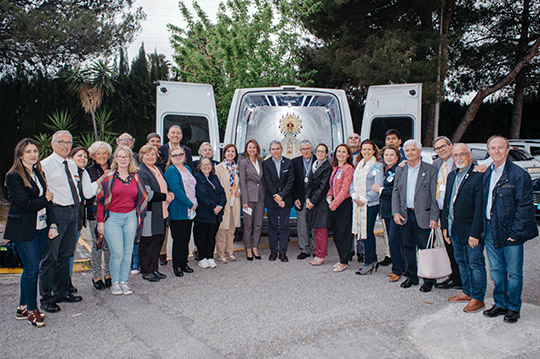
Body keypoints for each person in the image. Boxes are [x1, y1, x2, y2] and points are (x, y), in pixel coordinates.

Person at [481, 136, 538, 323]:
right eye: (493, 148)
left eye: (501, 147)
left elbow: (525, 207)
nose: (496, 151)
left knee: (513, 272)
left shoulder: (518, 175)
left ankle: (513, 307)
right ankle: (500, 303)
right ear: (488, 150)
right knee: (496, 270)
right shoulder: (487, 173)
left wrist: (516, 233)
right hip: (490, 228)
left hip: (511, 231)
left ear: (507, 150)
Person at [40, 130, 97, 313]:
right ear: (53, 143)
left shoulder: (72, 166)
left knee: (66, 255)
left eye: (68, 142)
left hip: (73, 211)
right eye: (61, 142)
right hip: (56, 212)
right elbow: (44, 194)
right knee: (50, 257)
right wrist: (50, 221)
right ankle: (46, 297)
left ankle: (62, 291)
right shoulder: (45, 165)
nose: (65, 145)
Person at [4, 138, 55, 327]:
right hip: (23, 230)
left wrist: (53, 224)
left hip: (41, 228)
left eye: (35, 151)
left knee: (30, 268)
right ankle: (33, 311)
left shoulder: (37, 173)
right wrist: (46, 199)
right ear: (20, 154)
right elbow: (25, 204)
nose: (33, 154)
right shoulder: (13, 176)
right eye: (28, 151)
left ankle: (22, 306)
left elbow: (46, 201)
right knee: (33, 269)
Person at [96, 146, 148, 295]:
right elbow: (100, 200)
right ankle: (115, 282)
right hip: (112, 218)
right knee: (117, 252)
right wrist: (100, 222)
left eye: (126, 157)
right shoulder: (109, 177)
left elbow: (142, 198)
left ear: (130, 159)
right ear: (115, 159)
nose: (123, 159)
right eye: (120, 156)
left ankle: (124, 281)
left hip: (130, 217)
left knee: (127, 252)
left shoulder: (136, 177)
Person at [441, 144, 486, 313]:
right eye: (455, 155)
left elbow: (479, 207)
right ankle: (467, 292)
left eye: (462, 154)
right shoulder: (452, 175)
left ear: (470, 154)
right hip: (454, 229)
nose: (459, 158)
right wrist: (445, 226)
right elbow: (447, 202)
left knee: (475, 263)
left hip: (471, 231)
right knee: (461, 261)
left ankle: (478, 298)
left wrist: (475, 233)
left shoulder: (477, 174)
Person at [391, 139, 439, 292]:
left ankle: (429, 279)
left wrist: (434, 217)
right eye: (407, 150)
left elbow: (434, 195)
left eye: (413, 150)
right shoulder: (401, 170)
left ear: (419, 152)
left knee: (425, 248)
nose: (410, 153)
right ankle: (412, 276)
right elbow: (396, 192)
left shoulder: (430, 170)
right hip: (405, 214)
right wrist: (396, 212)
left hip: (423, 216)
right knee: (407, 246)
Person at [138, 144, 174, 282]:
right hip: (149, 213)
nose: (150, 157)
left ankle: (154, 268)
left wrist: (169, 193)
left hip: (161, 212)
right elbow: (147, 194)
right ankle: (146, 271)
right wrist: (166, 197)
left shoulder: (157, 169)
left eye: (153, 154)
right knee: (147, 242)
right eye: (147, 154)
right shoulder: (142, 171)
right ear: (142, 156)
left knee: (158, 241)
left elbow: (164, 187)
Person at [371, 146, 405, 282]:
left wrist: (380, 189)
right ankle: (400, 267)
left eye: (392, 155)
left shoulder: (398, 170)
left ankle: (398, 269)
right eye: (386, 155)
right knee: (394, 241)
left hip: (395, 211)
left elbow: (396, 192)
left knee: (394, 240)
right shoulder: (386, 170)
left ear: (397, 157)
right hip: (386, 211)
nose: (389, 157)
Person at [432, 136, 462, 290]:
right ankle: (455, 277)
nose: (441, 150)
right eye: (438, 148)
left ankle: (464, 280)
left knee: (460, 246)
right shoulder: (436, 164)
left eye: (443, 146)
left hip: (457, 212)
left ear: (451, 145)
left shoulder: (461, 161)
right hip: (442, 210)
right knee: (448, 244)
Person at [351, 140, 383, 275]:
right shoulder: (359, 165)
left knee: (368, 233)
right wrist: (354, 196)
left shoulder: (377, 166)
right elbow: (353, 183)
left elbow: (377, 186)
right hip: (358, 203)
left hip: (370, 204)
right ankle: (373, 260)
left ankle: (369, 261)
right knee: (363, 233)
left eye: (369, 149)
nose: (366, 152)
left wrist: (364, 199)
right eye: (364, 149)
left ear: (374, 150)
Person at [165, 146, 197, 277]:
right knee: (178, 239)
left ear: (184, 155)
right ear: (170, 157)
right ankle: (177, 265)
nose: (178, 157)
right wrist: (190, 204)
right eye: (175, 155)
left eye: (180, 155)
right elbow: (177, 190)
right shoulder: (171, 171)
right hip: (179, 209)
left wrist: (193, 203)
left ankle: (184, 262)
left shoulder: (188, 168)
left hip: (190, 209)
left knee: (186, 238)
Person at [86, 141, 113, 290]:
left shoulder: (113, 168)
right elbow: (89, 192)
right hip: (95, 212)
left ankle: (108, 274)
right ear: (93, 155)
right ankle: (96, 275)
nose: (102, 156)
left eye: (104, 153)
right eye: (98, 153)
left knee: (109, 244)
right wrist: (103, 178)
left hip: (113, 212)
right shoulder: (88, 171)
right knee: (97, 244)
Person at [262, 140, 295, 262]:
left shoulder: (289, 163)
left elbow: (291, 181)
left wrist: (281, 196)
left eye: (277, 148)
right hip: (271, 199)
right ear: (270, 151)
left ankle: (283, 252)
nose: (275, 151)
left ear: (282, 149)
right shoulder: (266, 164)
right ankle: (273, 251)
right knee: (272, 226)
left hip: (285, 199)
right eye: (273, 149)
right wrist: (276, 196)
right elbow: (267, 181)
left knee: (285, 226)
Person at [194, 157, 227, 268]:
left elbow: (222, 192)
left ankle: (210, 257)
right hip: (204, 212)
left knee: (211, 236)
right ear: (199, 166)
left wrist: (221, 205)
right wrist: (214, 206)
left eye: (208, 164)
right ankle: (202, 258)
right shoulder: (197, 178)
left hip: (216, 213)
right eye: (204, 164)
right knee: (202, 236)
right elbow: (202, 195)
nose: (206, 166)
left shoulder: (214, 177)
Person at [326, 144, 354, 272]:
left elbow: (345, 189)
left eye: (344, 152)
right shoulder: (336, 168)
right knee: (337, 233)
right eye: (339, 152)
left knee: (344, 233)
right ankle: (342, 258)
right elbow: (332, 186)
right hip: (335, 204)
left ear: (348, 155)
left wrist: (334, 204)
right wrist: (329, 195)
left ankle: (344, 261)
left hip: (343, 205)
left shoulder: (348, 169)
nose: (341, 154)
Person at [238, 139, 265, 260]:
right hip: (248, 198)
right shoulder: (243, 162)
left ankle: (255, 247)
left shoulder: (261, 161)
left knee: (258, 224)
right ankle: (248, 249)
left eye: (254, 147)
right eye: (250, 147)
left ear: (257, 149)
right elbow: (242, 182)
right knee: (248, 226)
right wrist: (244, 200)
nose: (252, 150)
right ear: (246, 149)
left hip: (260, 197)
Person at [305, 143, 332, 266]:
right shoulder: (315, 165)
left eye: (322, 151)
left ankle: (321, 255)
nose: (320, 153)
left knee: (321, 230)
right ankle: (320, 254)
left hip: (321, 202)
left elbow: (323, 187)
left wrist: (313, 201)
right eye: (318, 151)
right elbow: (309, 184)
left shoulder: (327, 167)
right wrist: (307, 199)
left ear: (326, 154)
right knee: (315, 229)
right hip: (313, 201)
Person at [215, 144, 241, 264]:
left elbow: (238, 184)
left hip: (234, 202)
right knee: (222, 230)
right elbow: (216, 187)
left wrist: (239, 190)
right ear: (224, 153)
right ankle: (220, 254)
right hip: (224, 203)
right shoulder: (218, 168)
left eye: (233, 151)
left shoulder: (236, 168)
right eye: (228, 151)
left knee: (231, 229)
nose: (230, 153)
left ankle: (229, 252)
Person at [69, 146, 90, 294]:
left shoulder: (82, 173)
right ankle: (62, 283)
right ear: (71, 157)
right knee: (64, 253)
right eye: (79, 156)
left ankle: (67, 281)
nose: (83, 158)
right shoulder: (68, 172)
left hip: (77, 218)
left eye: (85, 156)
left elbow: (86, 194)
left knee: (70, 252)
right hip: (66, 218)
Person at [292, 140, 315, 259]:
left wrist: (313, 199)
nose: (305, 151)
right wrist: (295, 198)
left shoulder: (318, 160)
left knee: (316, 224)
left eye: (307, 148)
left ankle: (317, 249)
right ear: (300, 150)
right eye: (303, 149)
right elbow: (292, 182)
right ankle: (305, 249)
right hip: (300, 199)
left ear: (312, 148)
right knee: (302, 225)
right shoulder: (295, 162)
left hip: (315, 199)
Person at [347, 133, 365, 263]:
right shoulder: (343, 155)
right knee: (348, 225)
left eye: (356, 138)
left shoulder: (363, 157)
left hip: (359, 196)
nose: (353, 140)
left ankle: (361, 251)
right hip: (346, 196)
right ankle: (349, 250)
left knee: (360, 223)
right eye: (351, 138)